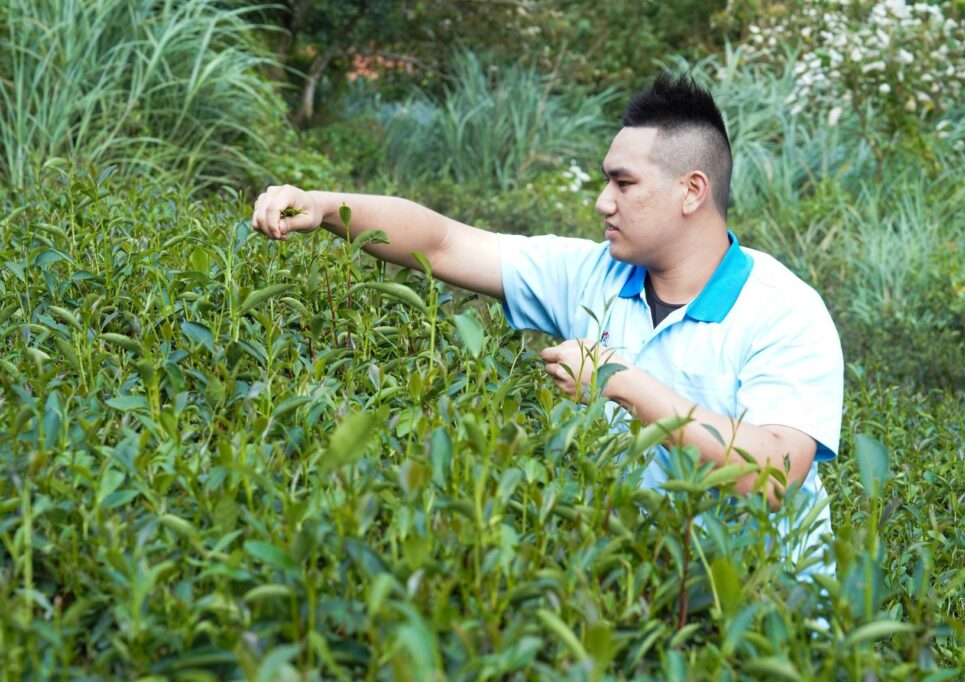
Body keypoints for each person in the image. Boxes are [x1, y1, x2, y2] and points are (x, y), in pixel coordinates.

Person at [251, 73, 844, 570]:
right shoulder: (593, 274)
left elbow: (771, 475)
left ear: (692, 191)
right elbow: (446, 242)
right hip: (636, 591)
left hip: (764, 611)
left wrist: (621, 380)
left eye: (623, 182)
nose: (602, 202)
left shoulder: (784, 311)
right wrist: (327, 206)